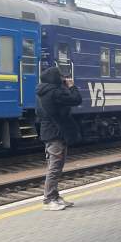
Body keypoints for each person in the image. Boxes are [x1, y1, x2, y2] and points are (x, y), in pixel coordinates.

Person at [36, 65, 82, 210]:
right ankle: (49, 199)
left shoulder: (42, 92)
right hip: (55, 133)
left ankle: (54, 196)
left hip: (51, 132)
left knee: (56, 165)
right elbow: (76, 99)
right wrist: (72, 86)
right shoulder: (54, 93)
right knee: (55, 167)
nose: (63, 79)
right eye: (61, 77)